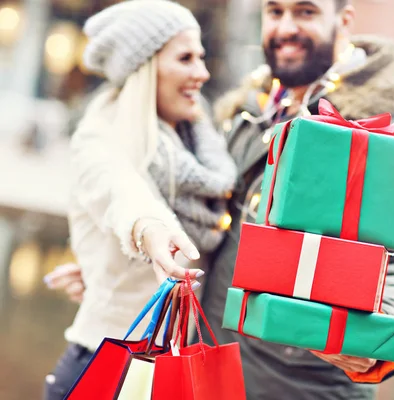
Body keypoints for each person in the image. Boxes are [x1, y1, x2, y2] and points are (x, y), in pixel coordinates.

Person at [48, 0, 394, 398]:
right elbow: (213, 223)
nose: (286, 27)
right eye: (275, 11)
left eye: (305, 12)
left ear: (344, 20)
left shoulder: (376, 135)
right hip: (214, 373)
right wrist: (120, 265)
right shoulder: (247, 112)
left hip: (298, 383)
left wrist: (379, 343)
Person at [43, 1, 236, 399]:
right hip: (105, 369)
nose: (202, 72)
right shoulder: (99, 139)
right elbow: (120, 190)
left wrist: (96, 268)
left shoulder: (200, 142)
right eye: (185, 58)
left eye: (201, 56)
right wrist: (150, 232)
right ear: (144, 68)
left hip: (167, 372)